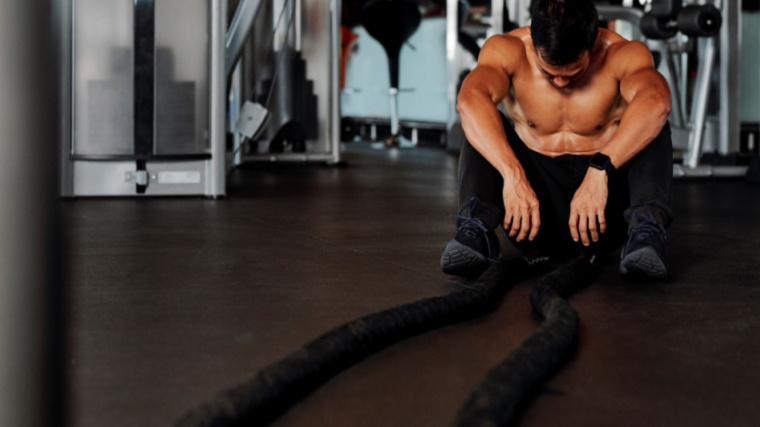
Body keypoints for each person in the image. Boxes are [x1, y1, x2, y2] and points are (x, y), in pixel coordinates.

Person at [440, 0, 674, 279]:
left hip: (603, 218)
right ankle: (476, 231)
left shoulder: (623, 54)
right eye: (549, 72)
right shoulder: (508, 50)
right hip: (530, 217)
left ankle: (645, 233)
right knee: (483, 118)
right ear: (535, 44)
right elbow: (469, 101)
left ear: (593, 42)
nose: (562, 83)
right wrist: (512, 174)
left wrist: (600, 170)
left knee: (653, 121)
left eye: (574, 73)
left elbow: (657, 101)